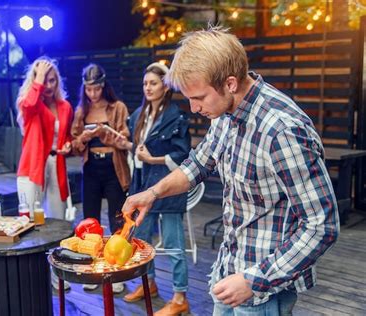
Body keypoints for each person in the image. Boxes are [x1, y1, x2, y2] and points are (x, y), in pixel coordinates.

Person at [122, 26, 339, 316]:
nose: (194, 108)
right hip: (228, 269)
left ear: (231, 83)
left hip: (263, 290)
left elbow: (321, 226)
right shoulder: (225, 113)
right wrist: (152, 193)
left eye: (198, 97)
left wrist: (255, 280)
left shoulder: (281, 130)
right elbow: (197, 164)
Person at [117, 62, 191, 315]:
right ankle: (148, 286)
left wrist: (154, 159)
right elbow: (138, 152)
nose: (148, 87)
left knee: (172, 243)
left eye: (153, 83)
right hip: (142, 184)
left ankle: (180, 297)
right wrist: (124, 144)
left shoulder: (176, 115)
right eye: (145, 83)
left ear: (166, 86)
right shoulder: (139, 114)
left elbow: (183, 155)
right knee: (140, 240)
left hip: (168, 187)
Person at [71, 63, 130, 293]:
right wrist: (84, 138)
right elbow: (75, 145)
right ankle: (92, 269)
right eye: (88, 89)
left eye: (96, 89)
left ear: (104, 86)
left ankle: (115, 273)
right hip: (91, 168)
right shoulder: (81, 111)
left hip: (113, 167)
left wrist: (102, 132)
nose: (93, 94)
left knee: (117, 218)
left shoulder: (118, 108)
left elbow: (124, 140)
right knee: (89, 221)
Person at [15, 57, 73, 290]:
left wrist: (67, 144)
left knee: (58, 220)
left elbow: (65, 135)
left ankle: (57, 274)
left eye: (52, 80)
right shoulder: (29, 103)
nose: (48, 85)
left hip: (56, 162)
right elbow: (29, 104)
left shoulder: (65, 107)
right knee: (29, 221)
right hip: (32, 165)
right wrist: (37, 78)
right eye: (43, 80)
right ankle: (31, 274)